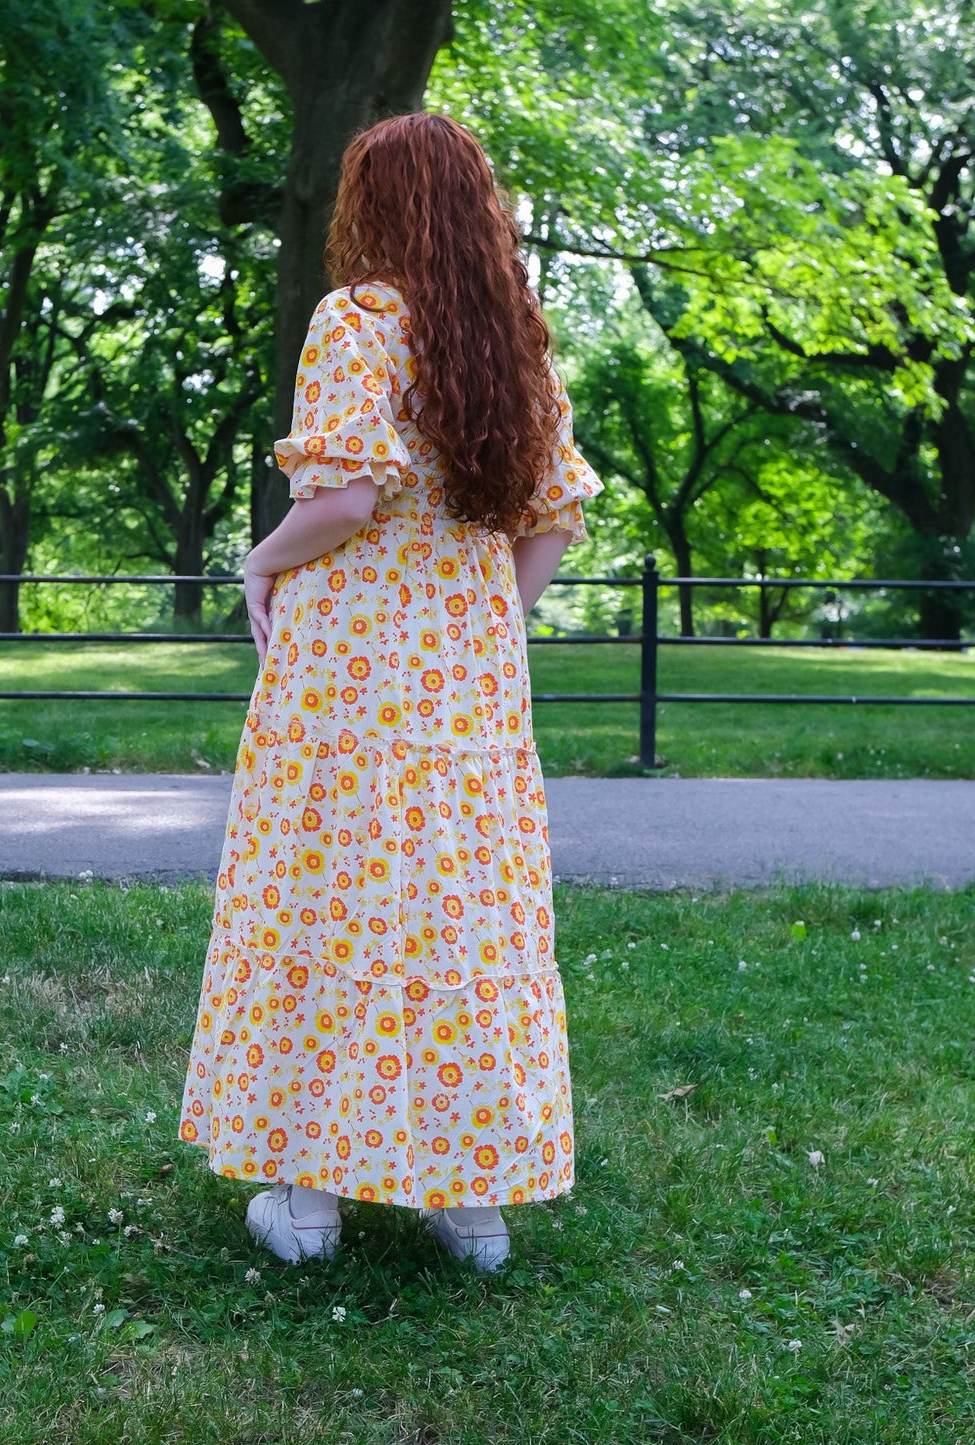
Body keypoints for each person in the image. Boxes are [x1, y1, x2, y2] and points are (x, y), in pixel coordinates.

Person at [178, 113, 604, 1272]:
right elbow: (552, 518)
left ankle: (308, 1203)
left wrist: (260, 559)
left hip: (348, 674)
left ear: (374, 205)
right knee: (457, 911)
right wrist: (481, 624)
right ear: (477, 209)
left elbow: (344, 504)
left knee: (331, 900)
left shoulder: (356, 321)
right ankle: (471, 1206)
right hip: (466, 679)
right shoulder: (513, 344)